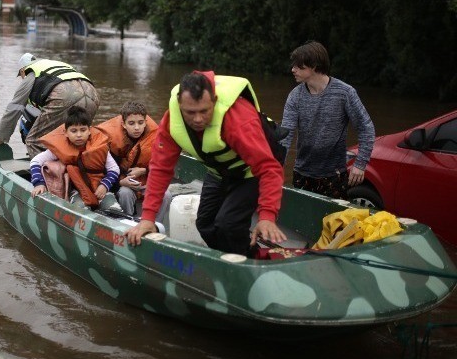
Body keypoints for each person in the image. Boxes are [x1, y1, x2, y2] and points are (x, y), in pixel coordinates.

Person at [125, 72, 287, 256]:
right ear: (180, 104)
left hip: (252, 171)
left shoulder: (238, 120)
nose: (198, 119)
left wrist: (267, 216)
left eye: (204, 111)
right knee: (205, 224)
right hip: (220, 170)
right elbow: (160, 169)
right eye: (190, 112)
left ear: (215, 101)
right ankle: (226, 259)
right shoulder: (171, 121)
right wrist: (147, 218)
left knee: (228, 224)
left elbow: (269, 169)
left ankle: (253, 260)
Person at [280, 41, 375, 199]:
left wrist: (360, 164)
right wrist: (276, 166)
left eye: (298, 66)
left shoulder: (345, 93)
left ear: (314, 66)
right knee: (301, 222)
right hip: (301, 172)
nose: (293, 69)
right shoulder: (295, 96)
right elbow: (285, 134)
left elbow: (366, 129)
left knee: (332, 223)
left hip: (334, 175)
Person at [0, 53, 101, 158]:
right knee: (79, 135)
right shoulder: (52, 65)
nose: (21, 78)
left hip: (65, 93)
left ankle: (44, 174)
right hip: (92, 92)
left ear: (22, 70)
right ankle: (82, 170)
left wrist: (1, 138)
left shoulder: (31, 72)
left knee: (34, 141)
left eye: (21, 75)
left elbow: (14, 108)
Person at [30, 106, 120, 210]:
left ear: (89, 130)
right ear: (65, 133)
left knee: (115, 210)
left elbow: (114, 169)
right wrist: (38, 183)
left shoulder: (100, 147)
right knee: (81, 209)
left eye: (83, 130)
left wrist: (105, 185)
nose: (79, 135)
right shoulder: (58, 149)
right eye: (74, 131)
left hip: (100, 188)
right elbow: (35, 161)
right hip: (75, 191)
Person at [96, 101, 172, 222]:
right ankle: (128, 223)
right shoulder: (112, 142)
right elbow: (104, 171)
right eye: (131, 123)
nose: (136, 127)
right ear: (124, 124)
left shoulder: (156, 138)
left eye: (140, 123)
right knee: (125, 193)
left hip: (147, 182)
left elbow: (164, 166)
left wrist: (144, 170)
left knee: (166, 194)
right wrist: (121, 182)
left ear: (146, 123)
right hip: (124, 183)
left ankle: (155, 224)